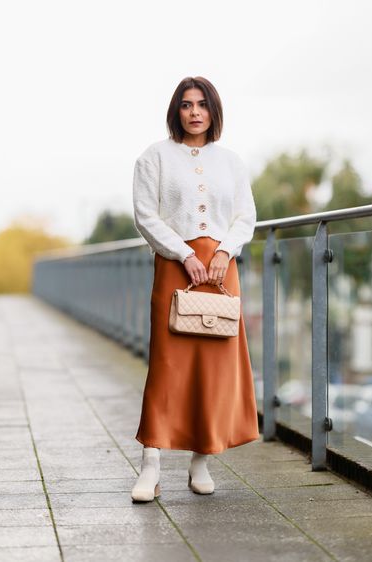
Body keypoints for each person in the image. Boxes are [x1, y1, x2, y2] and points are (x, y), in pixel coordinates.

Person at [131, 76, 259, 502]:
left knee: (213, 365)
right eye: (186, 105)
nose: (194, 112)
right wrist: (183, 254)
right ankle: (151, 463)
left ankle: (201, 459)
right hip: (174, 267)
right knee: (169, 365)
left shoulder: (231, 162)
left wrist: (224, 252)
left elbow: (245, 216)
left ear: (213, 110)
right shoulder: (154, 157)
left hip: (222, 271)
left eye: (202, 104)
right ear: (176, 110)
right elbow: (146, 215)